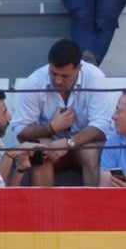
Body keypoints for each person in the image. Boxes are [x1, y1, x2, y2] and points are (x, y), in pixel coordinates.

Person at [10, 39, 112, 187]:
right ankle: (44, 208)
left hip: (81, 146)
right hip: (51, 145)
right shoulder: (35, 81)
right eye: (54, 73)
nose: (58, 80)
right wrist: (50, 129)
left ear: (79, 68)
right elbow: (20, 131)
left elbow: (101, 126)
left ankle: (93, 208)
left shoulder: (95, 77)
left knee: (90, 151)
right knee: (38, 152)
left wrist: (68, 143)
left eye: (65, 76)